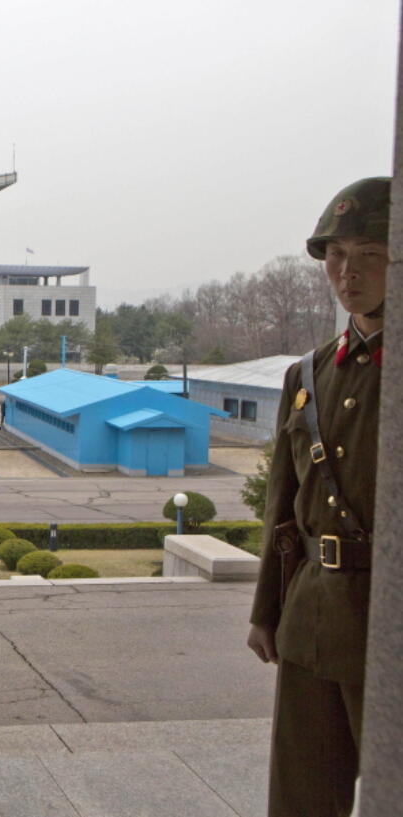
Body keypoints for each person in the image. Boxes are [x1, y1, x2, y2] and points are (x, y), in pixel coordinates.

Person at [246, 177, 389, 817]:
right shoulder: (307, 375)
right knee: (302, 798)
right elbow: (283, 507)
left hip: (389, 624)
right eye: (335, 255)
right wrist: (266, 611)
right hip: (311, 618)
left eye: (369, 254)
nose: (347, 272)